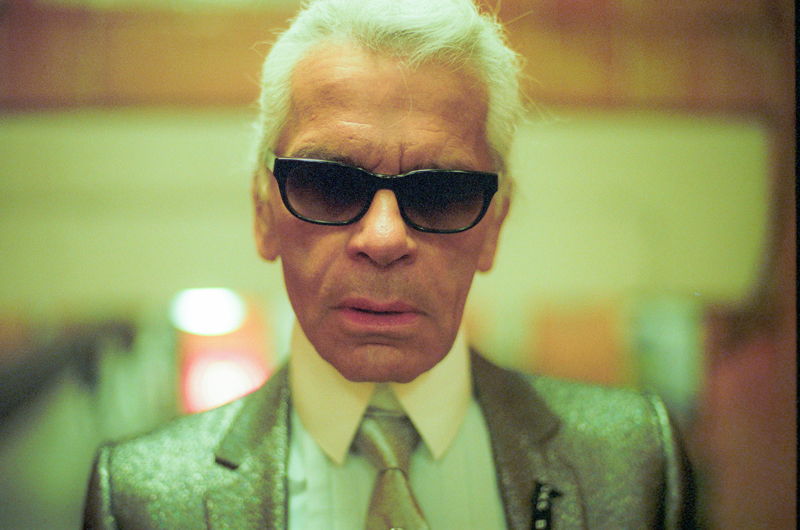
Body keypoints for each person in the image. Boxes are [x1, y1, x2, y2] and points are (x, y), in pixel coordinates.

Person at [83, 0, 694, 528]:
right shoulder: (143, 499)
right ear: (263, 213)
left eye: (440, 193)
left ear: (494, 226)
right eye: (329, 184)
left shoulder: (632, 462)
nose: (383, 238)